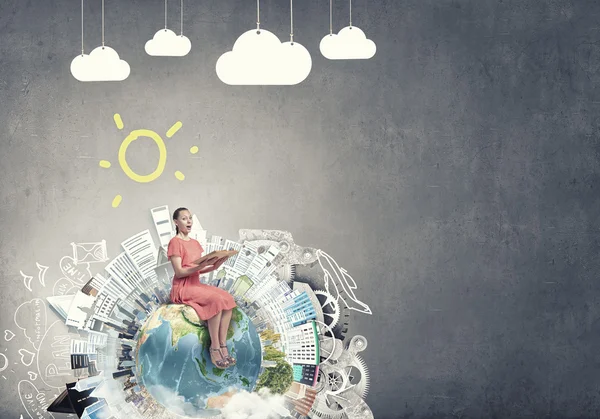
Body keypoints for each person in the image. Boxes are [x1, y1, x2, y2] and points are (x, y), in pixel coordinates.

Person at [167, 207, 237, 369]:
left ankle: (222, 344)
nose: (189, 221)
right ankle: (214, 348)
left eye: (190, 218)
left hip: (195, 283)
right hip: (183, 286)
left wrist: (214, 266)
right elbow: (180, 271)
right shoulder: (175, 242)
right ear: (176, 222)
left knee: (228, 299)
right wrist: (203, 264)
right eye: (184, 219)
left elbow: (198, 269)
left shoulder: (195, 244)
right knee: (216, 300)